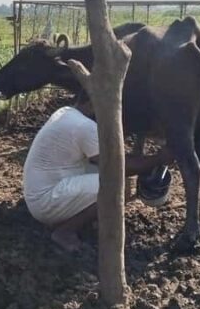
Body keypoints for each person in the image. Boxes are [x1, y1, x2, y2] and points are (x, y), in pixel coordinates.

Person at [23, 92, 172, 252]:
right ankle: (65, 231)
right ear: (94, 104)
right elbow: (117, 167)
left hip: (40, 192)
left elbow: (112, 160)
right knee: (115, 186)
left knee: (118, 180)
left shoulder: (66, 112)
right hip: (45, 202)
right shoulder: (84, 127)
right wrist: (158, 159)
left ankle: (77, 215)